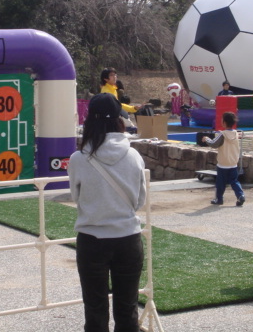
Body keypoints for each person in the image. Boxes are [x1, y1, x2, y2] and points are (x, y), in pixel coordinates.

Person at [68, 93, 147, 331]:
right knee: (128, 308)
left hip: (92, 239)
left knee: (95, 309)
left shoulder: (78, 159)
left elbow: (76, 197)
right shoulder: (133, 155)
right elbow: (140, 199)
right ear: (119, 120)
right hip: (128, 238)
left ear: (89, 120)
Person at [201, 111, 245, 206]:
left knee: (220, 183)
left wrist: (206, 139)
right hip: (233, 163)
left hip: (223, 164)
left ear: (224, 122)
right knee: (234, 181)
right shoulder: (236, 134)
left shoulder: (222, 134)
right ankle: (240, 195)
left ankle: (219, 199)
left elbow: (214, 144)